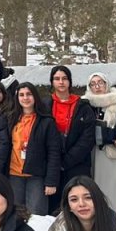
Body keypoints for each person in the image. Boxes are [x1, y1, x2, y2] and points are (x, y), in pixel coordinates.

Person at [6, 83, 62, 215]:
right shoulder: (10, 118)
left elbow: (54, 152)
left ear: (35, 97)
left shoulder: (46, 122)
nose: (25, 98)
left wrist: (51, 181)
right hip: (14, 174)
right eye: (21, 95)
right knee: (15, 214)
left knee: (36, 215)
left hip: (36, 176)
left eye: (29, 94)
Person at [48, 65, 96, 210]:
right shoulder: (45, 105)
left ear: (70, 81)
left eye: (64, 78)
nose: (61, 82)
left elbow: (87, 138)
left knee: (78, 203)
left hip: (77, 163)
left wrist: (67, 161)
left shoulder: (83, 106)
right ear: (52, 82)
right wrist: (55, 161)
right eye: (57, 79)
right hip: (52, 164)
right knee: (54, 207)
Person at [83, 73, 116, 213]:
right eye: (93, 84)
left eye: (100, 82)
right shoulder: (86, 105)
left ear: (106, 84)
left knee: (114, 188)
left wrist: (102, 134)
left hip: (111, 153)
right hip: (91, 152)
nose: (97, 86)